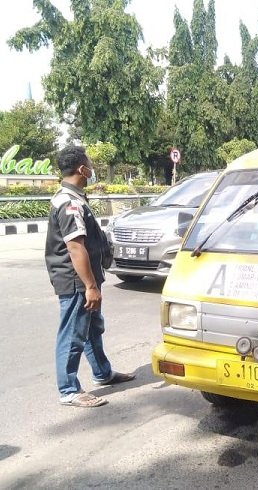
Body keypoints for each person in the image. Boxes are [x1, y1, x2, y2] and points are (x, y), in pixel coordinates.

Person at [45, 146, 135, 408]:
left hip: (83, 280)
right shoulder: (69, 202)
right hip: (76, 281)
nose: (93, 168)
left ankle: (102, 373)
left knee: (92, 328)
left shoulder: (74, 197)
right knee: (73, 333)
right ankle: (69, 389)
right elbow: (75, 247)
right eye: (90, 164)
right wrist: (90, 286)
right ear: (82, 170)